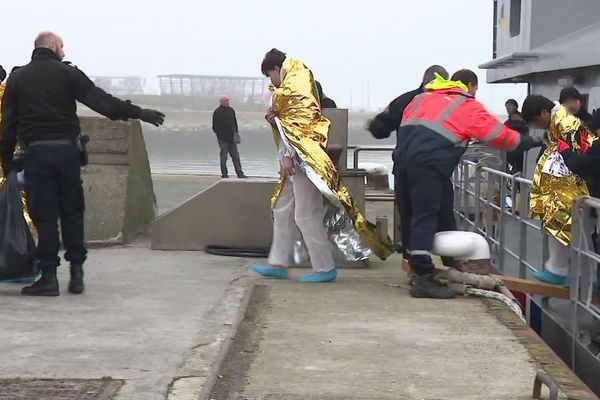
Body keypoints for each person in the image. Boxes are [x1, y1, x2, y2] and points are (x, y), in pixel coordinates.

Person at [0, 31, 165, 296]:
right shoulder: (69, 74)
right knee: (72, 213)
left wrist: (5, 163)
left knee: (45, 217)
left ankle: (49, 278)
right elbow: (104, 103)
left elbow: (8, 127)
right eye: (62, 46)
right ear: (52, 46)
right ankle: (77, 276)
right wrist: (140, 113)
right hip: (67, 154)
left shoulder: (18, 78)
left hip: (37, 156)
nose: (64, 51)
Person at [250, 48, 390, 283]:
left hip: (301, 162)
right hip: (299, 160)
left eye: (269, 76)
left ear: (276, 69)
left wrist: (287, 156)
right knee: (282, 210)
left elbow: (296, 130)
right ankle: (277, 262)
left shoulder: (292, 89)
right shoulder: (300, 83)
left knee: (306, 215)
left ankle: (324, 268)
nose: (270, 82)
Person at [394, 69, 524, 299]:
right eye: (475, 88)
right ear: (469, 86)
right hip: (430, 166)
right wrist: (522, 141)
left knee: (424, 214)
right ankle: (423, 278)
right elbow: (496, 134)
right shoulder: (464, 104)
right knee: (425, 216)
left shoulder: (422, 98)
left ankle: (436, 263)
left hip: (403, 163)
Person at [368, 66, 458, 267]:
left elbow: (379, 128)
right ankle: (451, 263)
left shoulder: (405, 100)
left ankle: (411, 265)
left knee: (409, 217)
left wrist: (373, 124)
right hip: (436, 169)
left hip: (405, 168)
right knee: (443, 217)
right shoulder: (451, 104)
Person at [522, 94, 594, 286]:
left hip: (579, 185)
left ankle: (562, 271)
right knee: (578, 234)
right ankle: (574, 274)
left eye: (536, 121)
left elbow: (577, 156)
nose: (536, 127)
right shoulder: (559, 121)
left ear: (545, 113)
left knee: (570, 228)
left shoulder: (564, 123)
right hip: (575, 184)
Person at [212, 96, 246, 179]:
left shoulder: (231, 110)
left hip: (232, 139)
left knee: (236, 157)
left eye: (228, 101)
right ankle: (224, 174)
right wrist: (220, 136)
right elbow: (215, 127)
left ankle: (240, 173)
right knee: (224, 157)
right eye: (226, 101)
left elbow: (234, 122)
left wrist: (236, 132)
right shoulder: (217, 112)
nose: (228, 102)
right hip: (223, 139)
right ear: (221, 102)